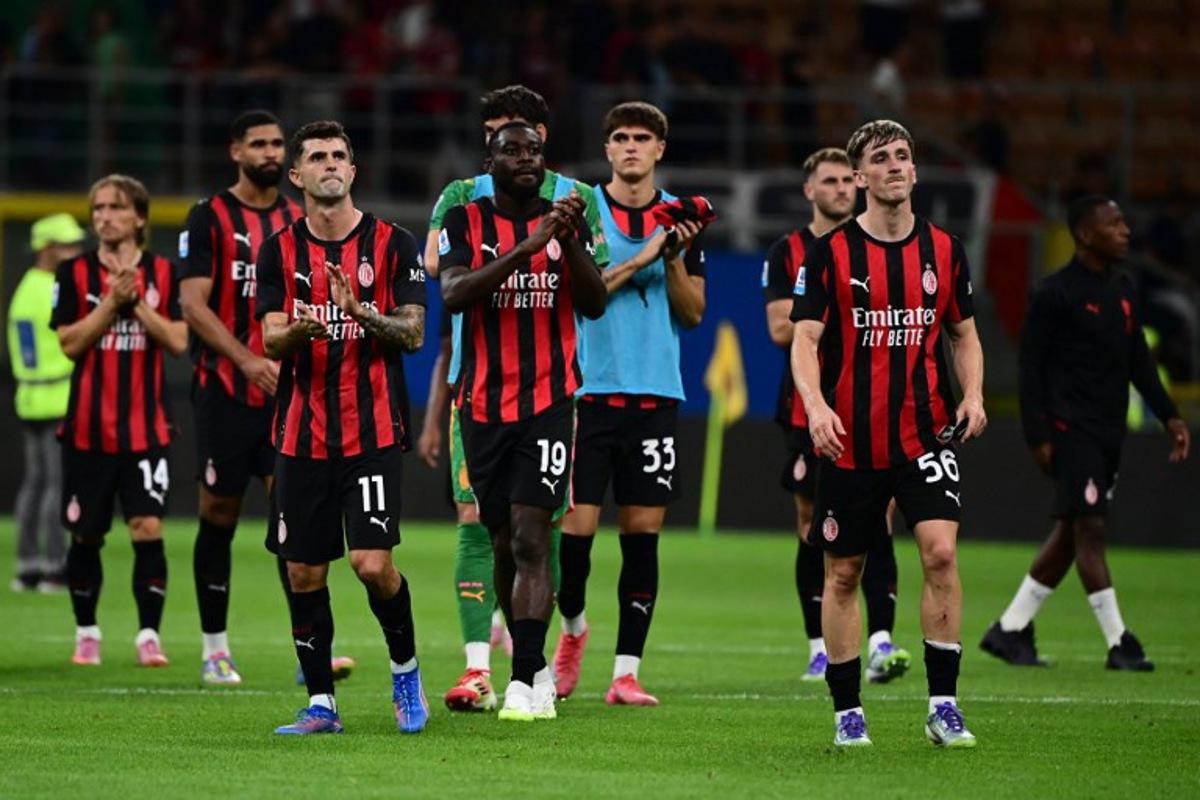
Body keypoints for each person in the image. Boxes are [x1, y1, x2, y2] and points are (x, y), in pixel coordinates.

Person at [790, 120, 986, 748]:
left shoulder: (947, 251)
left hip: (926, 434)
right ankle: (848, 711)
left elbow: (963, 335)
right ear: (861, 178)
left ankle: (944, 705)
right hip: (851, 443)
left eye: (904, 156)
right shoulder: (830, 254)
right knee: (844, 574)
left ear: (915, 172)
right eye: (882, 158)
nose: (896, 166)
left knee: (941, 553)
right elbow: (805, 340)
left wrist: (974, 393)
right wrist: (816, 406)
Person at [420, 84, 608, 712]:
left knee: (532, 536)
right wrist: (526, 250)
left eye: (532, 148)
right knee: (499, 540)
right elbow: (452, 293)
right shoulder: (460, 219)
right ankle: (521, 669)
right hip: (480, 404)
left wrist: (570, 242)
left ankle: (528, 677)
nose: (525, 158)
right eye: (511, 149)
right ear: (489, 160)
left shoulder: (570, 209)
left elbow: (594, 302)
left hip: (550, 400)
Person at [255, 120, 429, 735]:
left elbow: (412, 333)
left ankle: (406, 672)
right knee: (304, 571)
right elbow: (271, 335)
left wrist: (359, 312)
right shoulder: (277, 249)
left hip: (373, 432)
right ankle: (322, 704)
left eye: (339, 156)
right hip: (300, 434)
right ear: (297, 176)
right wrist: (305, 328)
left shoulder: (394, 244)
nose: (330, 164)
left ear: (353, 172)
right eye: (317, 157)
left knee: (373, 566)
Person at [179, 109, 352, 687]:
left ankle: (311, 658)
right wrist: (248, 360)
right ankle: (214, 647)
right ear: (236, 151)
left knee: (294, 519)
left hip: (290, 396)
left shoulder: (296, 219)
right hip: (228, 391)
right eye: (259, 144)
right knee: (219, 513)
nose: (271, 153)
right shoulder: (209, 217)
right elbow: (192, 305)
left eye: (279, 144)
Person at [981, 195, 1190, 671]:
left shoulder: (1122, 288)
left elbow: (1139, 359)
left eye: (1123, 222)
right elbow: (1030, 369)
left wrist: (1170, 416)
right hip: (1068, 430)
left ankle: (1010, 629)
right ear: (1084, 233)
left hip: (1108, 432)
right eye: (1113, 223)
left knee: (1073, 530)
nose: (1125, 231)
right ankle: (1120, 642)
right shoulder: (1054, 294)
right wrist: (1038, 436)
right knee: (1091, 528)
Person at [551, 101, 707, 707]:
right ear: (608, 148)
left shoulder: (681, 223)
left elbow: (692, 312)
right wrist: (640, 258)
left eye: (644, 138)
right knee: (576, 538)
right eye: (621, 137)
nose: (632, 147)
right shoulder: (583, 212)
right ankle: (572, 632)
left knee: (642, 537)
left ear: (660, 149)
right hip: (588, 394)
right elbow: (578, 295)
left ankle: (625, 673)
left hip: (656, 395)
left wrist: (668, 259)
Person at [763, 147, 910, 685]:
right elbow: (783, 329)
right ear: (810, 191)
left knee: (881, 518)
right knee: (811, 527)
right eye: (829, 182)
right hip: (805, 410)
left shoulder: (885, 248)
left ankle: (881, 641)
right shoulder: (790, 251)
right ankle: (819, 647)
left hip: (872, 407)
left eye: (848, 181)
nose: (841, 190)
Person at [52, 175, 189, 668]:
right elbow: (68, 344)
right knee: (86, 534)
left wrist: (138, 306)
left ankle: (148, 635)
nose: (104, 217)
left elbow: (176, 341)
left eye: (115, 207)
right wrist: (111, 303)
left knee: (147, 526)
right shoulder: (72, 274)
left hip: (146, 432)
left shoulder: (166, 273)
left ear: (140, 218)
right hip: (87, 432)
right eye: (98, 208)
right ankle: (87, 632)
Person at [8, 213, 84, 592]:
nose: (73, 250)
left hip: (30, 397)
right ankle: (55, 567)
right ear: (46, 248)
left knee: (35, 483)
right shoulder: (52, 287)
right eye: (66, 244)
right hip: (56, 396)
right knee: (57, 484)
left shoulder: (26, 288)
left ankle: (27, 567)